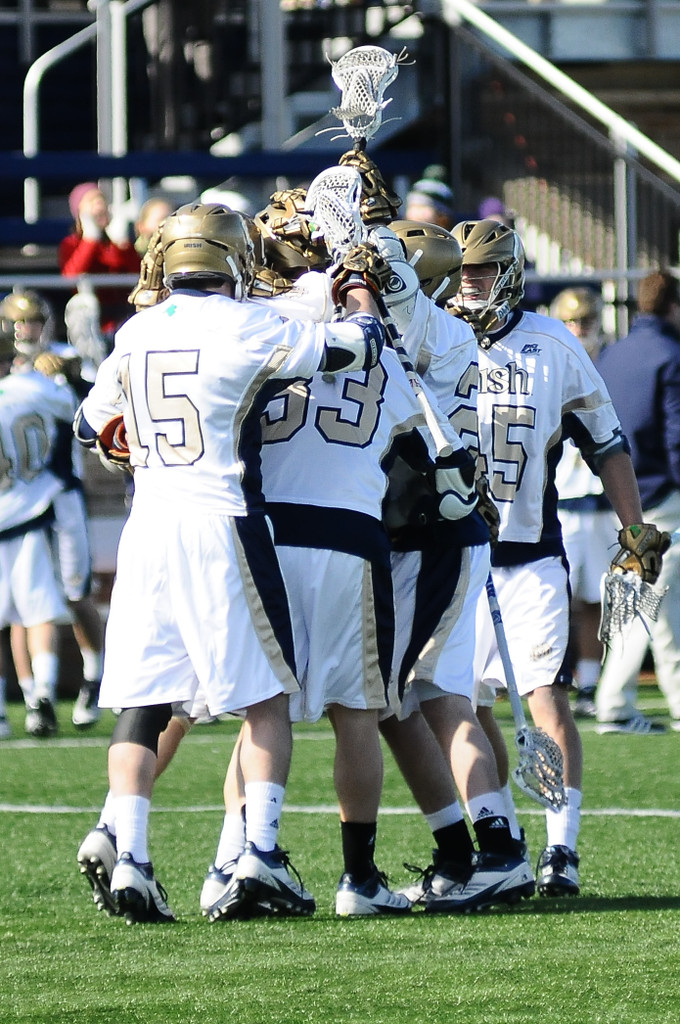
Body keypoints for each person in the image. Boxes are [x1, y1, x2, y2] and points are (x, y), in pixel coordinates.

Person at [74, 200, 390, 924]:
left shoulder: (139, 328)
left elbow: (90, 425)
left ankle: (132, 855)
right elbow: (353, 350)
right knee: (266, 698)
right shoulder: (251, 324)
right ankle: (261, 853)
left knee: (146, 702)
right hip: (222, 520)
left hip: (146, 525)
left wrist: (134, 436)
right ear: (233, 259)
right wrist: (359, 292)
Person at [448, 217, 666, 897]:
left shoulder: (551, 343)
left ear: (509, 273)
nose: (469, 285)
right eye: (462, 273)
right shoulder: (436, 337)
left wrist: (635, 529)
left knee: (544, 698)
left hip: (530, 553)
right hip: (455, 555)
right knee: (467, 705)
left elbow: (606, 442)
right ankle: (501, 839)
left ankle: (561, 849)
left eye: (481, 272)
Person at [369, 219, 534, 913]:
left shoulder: (433, 329)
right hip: (439, 529)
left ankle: (486, 852)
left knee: (411, 701)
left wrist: (358, 222)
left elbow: (395, 287)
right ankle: (484, 852)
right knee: (429, 700)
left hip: (431, 535)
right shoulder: (438, 333)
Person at [0, 288, 106, 730]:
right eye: (20, 323)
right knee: (25, 604)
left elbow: (96, 404)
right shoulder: (14, 373)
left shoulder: (61, 359)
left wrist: (72, 375)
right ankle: (33, 695)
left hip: (61, 491)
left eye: (35, 322)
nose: (29, 331)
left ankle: (93, 677)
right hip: (24, 497)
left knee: (75, 592)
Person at [595, 271, 680, 734]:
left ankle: (620, 700)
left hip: (622, 495)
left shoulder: (615, 352)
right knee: (659, 603)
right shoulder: (671, 355)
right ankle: (616, 701)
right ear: (674, 306)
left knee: (646, 598)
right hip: (664, 496)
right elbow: (676, 436)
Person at [0, 318, 75, 739]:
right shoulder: (34, 389)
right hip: (31, 507)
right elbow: (75, 411)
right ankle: (40, 694)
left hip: (12, 509)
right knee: (39, 610)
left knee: (11, 617)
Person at [551, 287, 614, 718]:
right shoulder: (548, 362)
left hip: (597, 497)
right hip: (557, 496)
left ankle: (589, 684)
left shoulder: (610, 364)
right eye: (571, 323)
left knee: (595, 597)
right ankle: (550, 680)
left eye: (585, 322)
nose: (578, 330)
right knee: (556, 598)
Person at [58, 182, 141, 343]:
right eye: (92, 201)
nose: (100, 204)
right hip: (92, 326)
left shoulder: (117, 244)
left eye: (101, 200)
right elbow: (71, 277)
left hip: (123, 319)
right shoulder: (71, 244)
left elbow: (137, 275)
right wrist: (90, 240)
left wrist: (122, 246)